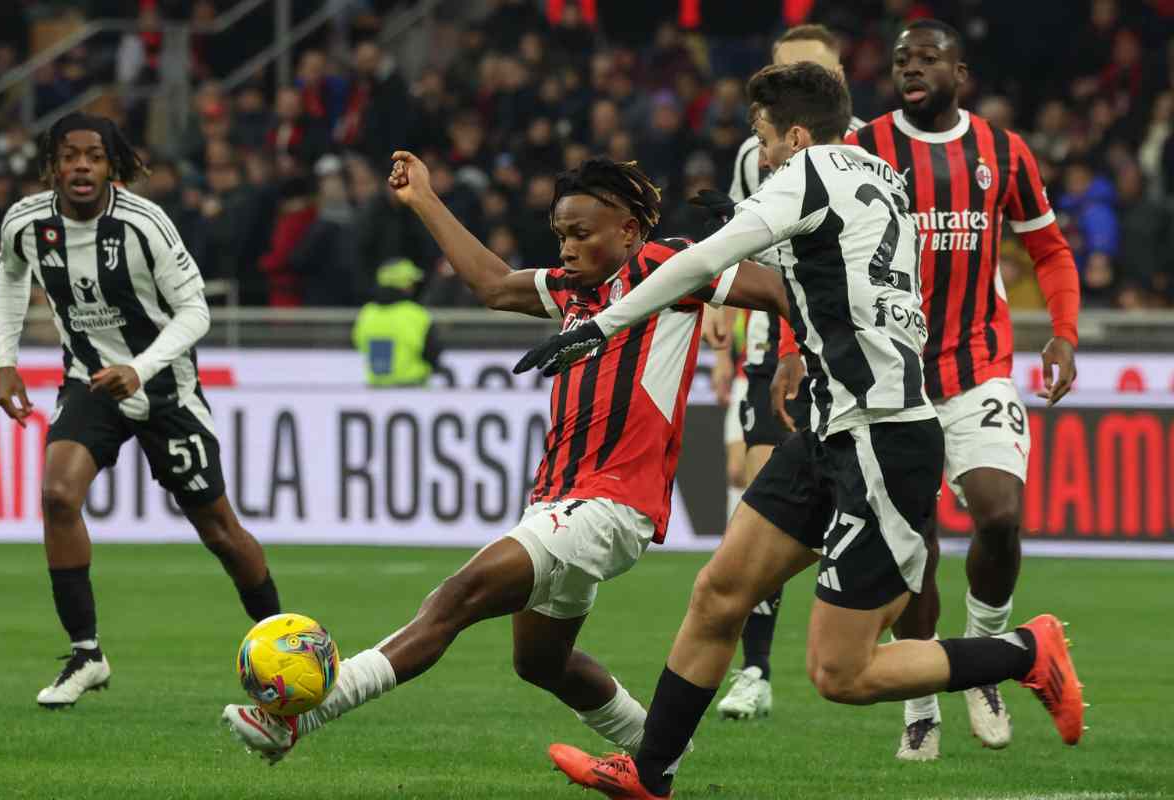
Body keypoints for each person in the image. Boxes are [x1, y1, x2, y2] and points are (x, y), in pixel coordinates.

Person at [521, 63, 1084, 800]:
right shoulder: (881, 175)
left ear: (793, 133)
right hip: (830, 426)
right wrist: (755, 223)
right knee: (720, 592)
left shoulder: (807, 170)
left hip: (882, 438)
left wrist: (600, 325)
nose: (762, 154)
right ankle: (649, 774)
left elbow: (699, 263)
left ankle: (1023, 650)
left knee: (840, 674)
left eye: (763, 136)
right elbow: (833, 267)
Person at [220, 154, 784, 764]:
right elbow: (492, 284)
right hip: (562, 499)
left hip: (613, 501)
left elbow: (778, 292)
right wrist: (426, 201)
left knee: (457, 596)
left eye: (582, 234)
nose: (567, 248)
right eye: (561, 235)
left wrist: (799, 351)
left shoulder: (668, 267)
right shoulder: (572, 292)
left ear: (628, 230)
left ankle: (302, 717)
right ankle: (660, 751)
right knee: (540, 661)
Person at [813, 18, 1079, 759]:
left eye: (928, 57)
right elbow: (821, 254)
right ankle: (921, 703)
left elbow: (1049, 247)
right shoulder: (864, 149)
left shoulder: (1003, 151)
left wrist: (1063, 331)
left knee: (998, 513)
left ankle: (987, 658)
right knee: (917, 547)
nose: (911, 68)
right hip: (895, 380)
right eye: (901, 60)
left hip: (979, 366)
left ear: (960, 72)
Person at [0, 112, 281, 709]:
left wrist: (140, 368)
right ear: (52, 165)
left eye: (93, 156)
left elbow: (195, 311)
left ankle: (282, 641)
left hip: (164, 389)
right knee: (56, 496)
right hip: (90, 382)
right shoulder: (24, 222)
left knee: (221, 533)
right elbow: (12, 277)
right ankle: (86, 653)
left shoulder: (143, 223)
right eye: (69, 155)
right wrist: (6, 360)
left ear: (110, 165)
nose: (80, 166)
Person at [707, 21, 867, 724]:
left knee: (875, 507)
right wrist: (723, 337)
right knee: (761, 488)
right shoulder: (755, 153)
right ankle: (756, 670)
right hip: (776, 336)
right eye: (784, 69)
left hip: (858, 351)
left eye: (811, 70)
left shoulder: (872, 148)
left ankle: (912, 672)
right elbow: (750, 246)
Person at [351, 258, 442, 387]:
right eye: (410, 281)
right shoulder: (416, 314)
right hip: (413, 390)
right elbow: (433, 353)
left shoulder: (367, 313)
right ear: (403, 284)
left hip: (377, 391)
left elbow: (359, 344)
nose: (413, 286)